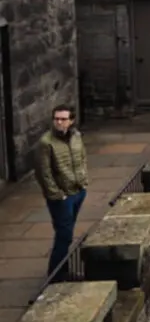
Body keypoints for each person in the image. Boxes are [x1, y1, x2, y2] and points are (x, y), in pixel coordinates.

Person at [34, 105, 89, 279]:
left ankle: (62, 270)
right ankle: (56, 275)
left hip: (78, 191)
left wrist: (84, 181)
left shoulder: (76, 136)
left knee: (66, 233)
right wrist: (57, 195)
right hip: (62, 197)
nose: (59, 122)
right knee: (64, 236)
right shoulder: (46, 142)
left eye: (63, 119)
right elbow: (43, 173)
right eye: (56, 118)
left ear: (71, 121)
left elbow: (82, 158)